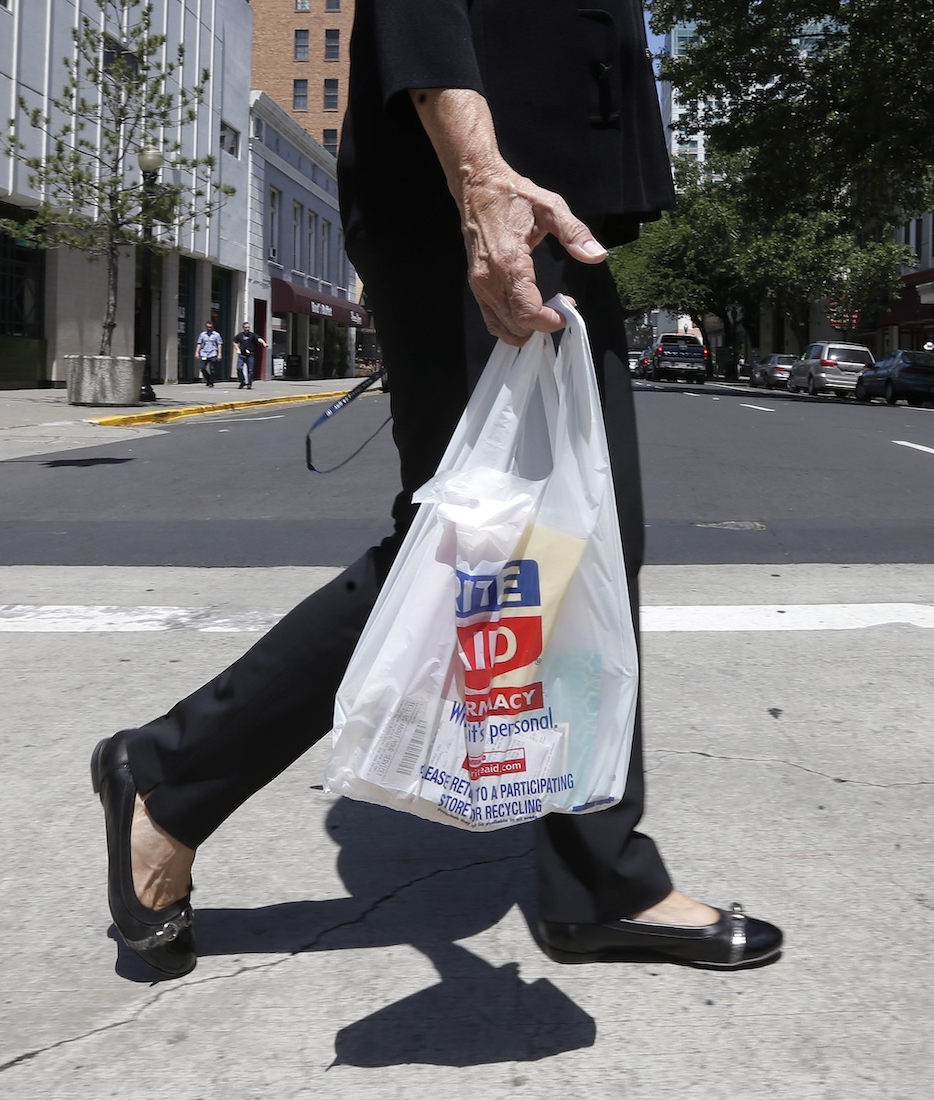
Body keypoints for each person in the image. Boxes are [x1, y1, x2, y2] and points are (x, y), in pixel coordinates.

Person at [91, 0, 785, 980]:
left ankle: (594, 869)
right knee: (476, 543)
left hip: (539, 186)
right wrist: (479, 179)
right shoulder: (480, 184)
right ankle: (166, 775)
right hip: (477, 181)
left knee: (564, 538)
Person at [233, 322, 267, 389]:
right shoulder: (240, 335)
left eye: (248, 327)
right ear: (243, 328)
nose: (247, 329)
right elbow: (234, 342)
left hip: (250, 355)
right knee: (239, 368)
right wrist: (237, 349)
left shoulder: (252, 335)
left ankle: (249, 384)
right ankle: (242, 382)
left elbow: (258, 339)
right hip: (242, 355)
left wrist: (264, 343)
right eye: (246, 327)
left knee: (250, 370)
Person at [194, 321, 224, 387]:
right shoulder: (202, 334)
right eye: (207, 327)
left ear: (212, 327)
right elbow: (199, 343)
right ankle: (208, 379)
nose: (209, 328)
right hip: (204, 353)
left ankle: (211, 382)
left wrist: (219, 353)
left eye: (210, 327)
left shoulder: (216, 335)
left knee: (212, 369)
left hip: (213, 353)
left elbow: (219, 344)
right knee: (202, 368)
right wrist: (197, 352)